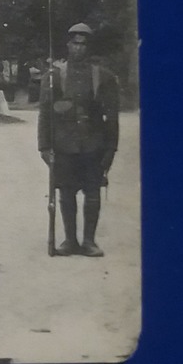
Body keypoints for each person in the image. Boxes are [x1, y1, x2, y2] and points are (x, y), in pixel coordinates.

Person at [38, 23, 120, 257]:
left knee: (93, 193)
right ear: (68, 45)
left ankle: (89, 241)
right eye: (75, 43)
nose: (79, 48)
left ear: (89, 48)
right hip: (64, 145)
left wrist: (111, 149)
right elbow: (45, 114)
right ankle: (70, 240)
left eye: (83, 44)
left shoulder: (104, 77)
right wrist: (44, 146)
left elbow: (112, 117)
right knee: (66, 193)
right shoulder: (54, 77)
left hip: (94, 144)